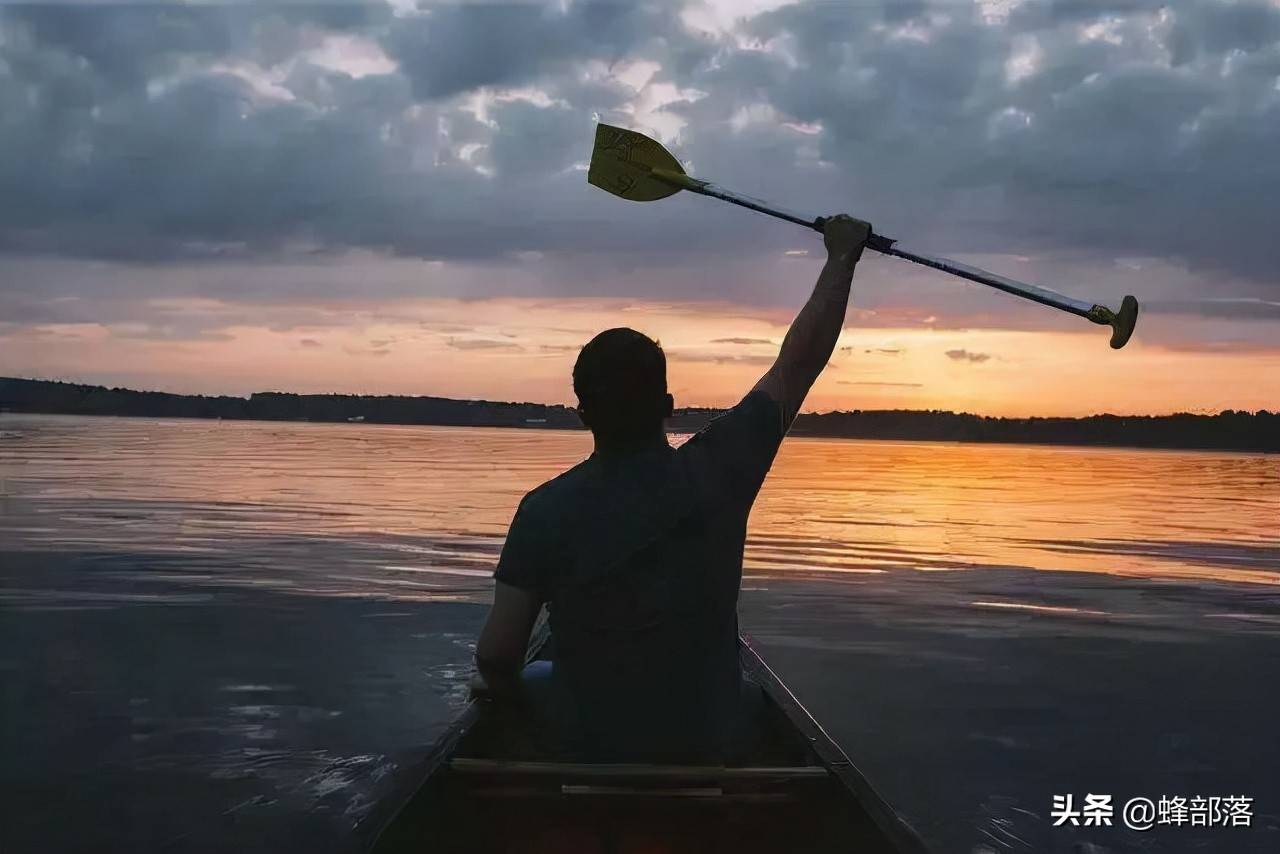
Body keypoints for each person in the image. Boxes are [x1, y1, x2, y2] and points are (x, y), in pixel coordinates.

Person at [473, 214, 872, 761]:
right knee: (752, 697)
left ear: (582, 414)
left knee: (531, 676)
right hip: (706, 735)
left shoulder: (542, 510)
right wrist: (841, 258)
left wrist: (504, 692)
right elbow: (797, 366)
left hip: (585, 739)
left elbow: (497, 656)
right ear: (667, 407)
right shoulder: (724, 467)